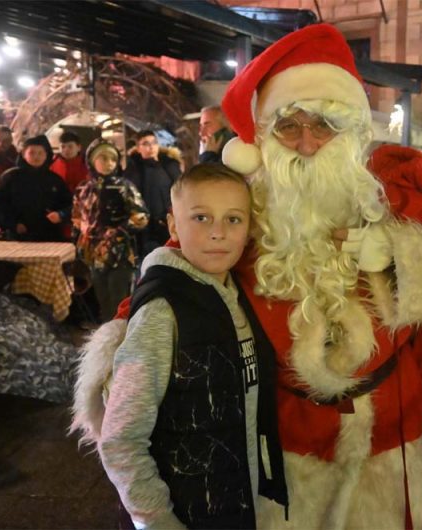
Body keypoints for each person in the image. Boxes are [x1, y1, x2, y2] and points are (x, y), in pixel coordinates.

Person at [73, 24, 422, 529]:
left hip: (390, 432)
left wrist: (398, 256)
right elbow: (176, 267)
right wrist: (127, 351)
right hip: (283, 438)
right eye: (288, 126)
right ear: (265, 138)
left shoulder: (394, 197)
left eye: (324, 124)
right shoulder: (243, 207)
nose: (306, 143)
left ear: (350, 131)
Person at [97, 163, 282, 529]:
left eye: (233, 219)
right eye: (201, 217)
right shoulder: (162, 312)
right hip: (182, 515)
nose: (218, 232)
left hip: (236, 510)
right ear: (172, 225)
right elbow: (121, 438)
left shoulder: (240, 298)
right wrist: (157, 521)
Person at [72, 139, 148, 322]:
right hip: (93, 255)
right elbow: (77, 217)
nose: (109, 163)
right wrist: (82, 238)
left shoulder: (125, 187)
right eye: (103, 158)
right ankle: (105, 335)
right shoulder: (84, 189)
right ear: (92, 161)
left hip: (120, 254)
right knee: (100, 300)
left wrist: (118, 232)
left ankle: (122, 335)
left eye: (113, 159)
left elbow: (141, 216)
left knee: (119, 300)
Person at [0, 134, 72, 242]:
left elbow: (69, 204)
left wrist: (60, 215)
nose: (36, 157)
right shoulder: (11, 177)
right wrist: (13, 224)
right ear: (24, 154)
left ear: (47, 155)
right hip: (18, 235)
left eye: (40, 153)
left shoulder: (55, 179)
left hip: (50, 235)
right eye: (32, 153)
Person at [124, 130, 182, 260]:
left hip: (170, 225)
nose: (151, 147)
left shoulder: (170, 166)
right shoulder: (133, 170)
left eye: (154, 143)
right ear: (138, 148)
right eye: (145, 144)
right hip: (146, 231)